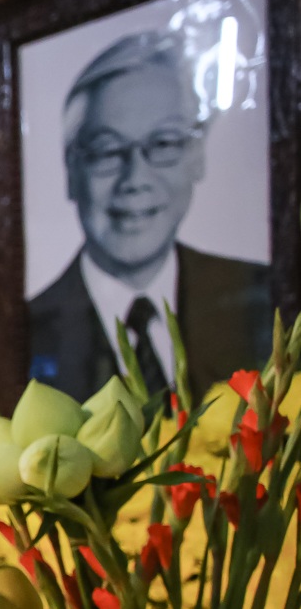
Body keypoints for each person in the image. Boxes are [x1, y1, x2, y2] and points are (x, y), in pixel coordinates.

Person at [27, 29, 269, 398]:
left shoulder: (264, 298)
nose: (135, 179)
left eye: (163, 144)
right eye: (107, 151)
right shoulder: (23, 333)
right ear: (71, 172)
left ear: (197, 157)